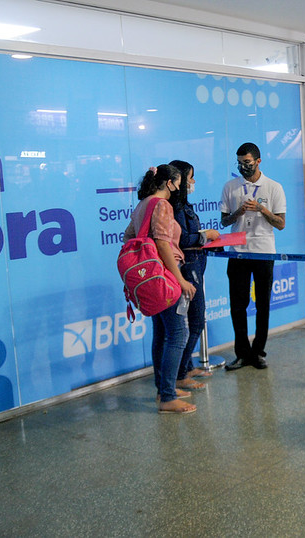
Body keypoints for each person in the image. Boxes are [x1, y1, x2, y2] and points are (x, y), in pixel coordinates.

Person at [125, 165, 197, 414]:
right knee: (178, 334)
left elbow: (128, 236)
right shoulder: (162, 205)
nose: (180, 188)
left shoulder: (143, 204)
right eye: (178, 183)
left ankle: (163, 389)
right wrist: (181, 280)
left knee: (161, 334)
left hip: (151, 278)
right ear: (169, 183)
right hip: (165, 276)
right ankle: (167, 395)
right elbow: (164, 244)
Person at [219, 143, 286, 370]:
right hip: (238, 252)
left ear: (258, 161)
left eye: (247, 163)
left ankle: (258, 352)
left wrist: (262, 210)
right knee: (238, 305)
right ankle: (241, 353)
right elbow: (224, 221)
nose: (243, 167)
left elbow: (281, 224)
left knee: (263, 304)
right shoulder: (230, 187)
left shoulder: (273, 187)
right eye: (239, 163)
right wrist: (240, 211)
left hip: (264, 251)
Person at [168, 160, 220, 389]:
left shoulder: (183, 205)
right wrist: (205, 235)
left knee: (193, 319)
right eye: (190, 178)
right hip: (188, 266)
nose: (193, 182)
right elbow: (181, 239)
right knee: (196, 320)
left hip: (197, 262)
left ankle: (187, 367)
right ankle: (180, 373)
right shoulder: (174, 209)